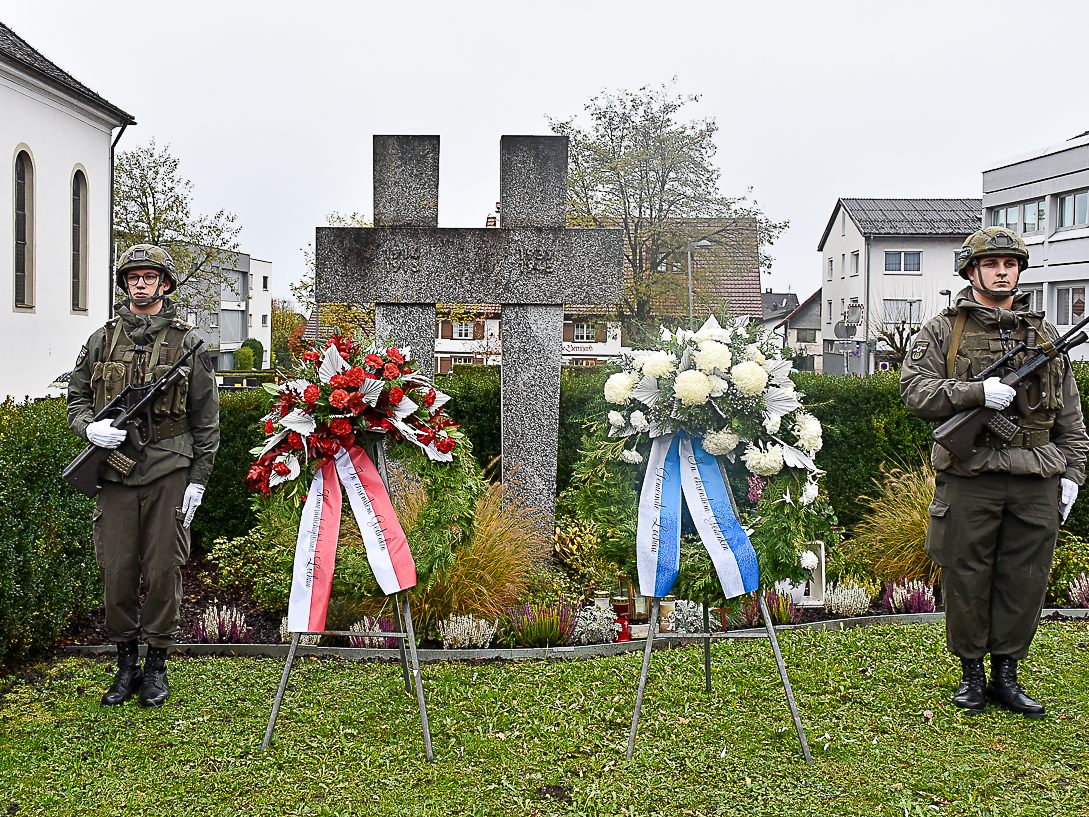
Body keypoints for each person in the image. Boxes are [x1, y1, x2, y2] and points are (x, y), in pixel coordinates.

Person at [900, 226, 1088, 718]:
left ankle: (1007, 672)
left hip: (1036, 476)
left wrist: (1073, 475)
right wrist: (975, 394)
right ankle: (971, 675)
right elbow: (915, 392)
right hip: (971, 474)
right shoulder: (944, 330)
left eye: (1010, 263)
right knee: (966, 574)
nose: (1002, 271)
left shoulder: (1044, 335)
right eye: (992, 264)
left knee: (1024, 578)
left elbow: (1069, 415)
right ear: (972, 271)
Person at [67, 244, 220, 708]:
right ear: (124, 284)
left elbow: (206, 419)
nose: (140, 283)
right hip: (114, 475)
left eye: (149, 276)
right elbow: (76, 399)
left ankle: (156, 665)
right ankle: (125, 663)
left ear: (164, 284)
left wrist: (198, 479)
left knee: (163, 570)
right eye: (132, 276)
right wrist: (88, 427)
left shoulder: (188, 344)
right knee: (116, 571)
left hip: (168, 470)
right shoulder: (101, 340)